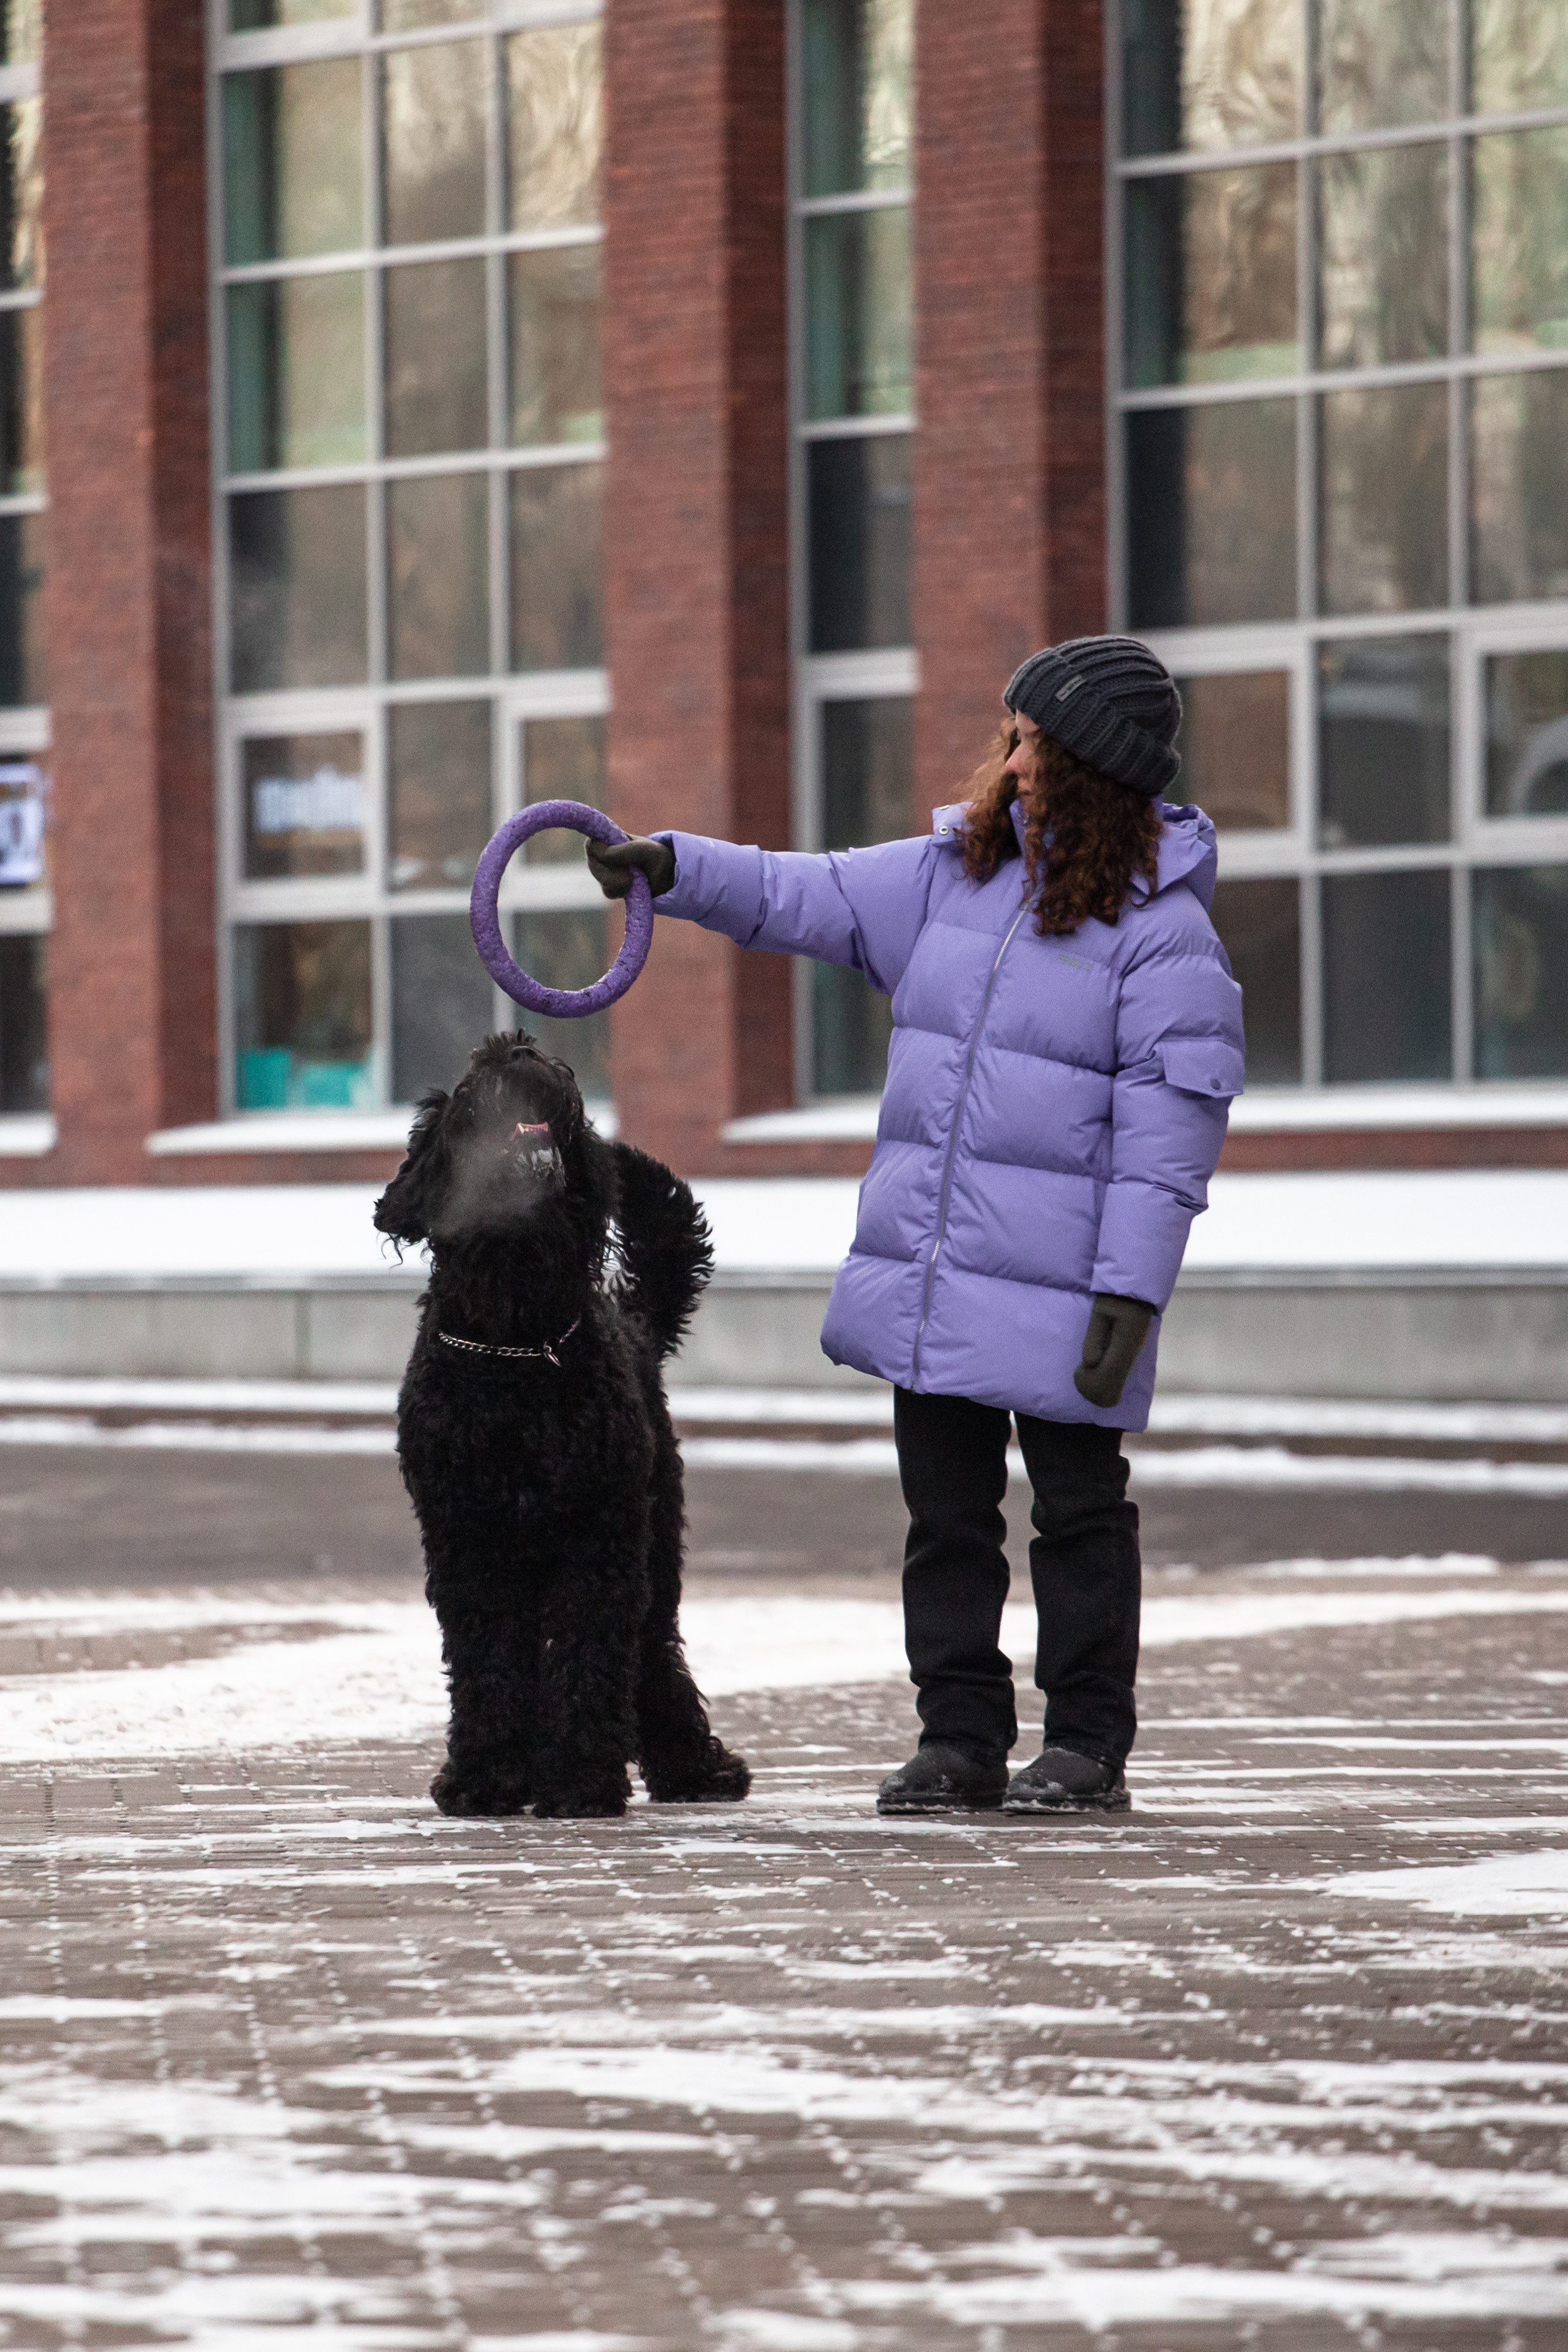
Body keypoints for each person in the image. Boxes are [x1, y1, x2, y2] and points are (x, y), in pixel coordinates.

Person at [587, 636, 1244, 1817]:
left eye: (1038, 740)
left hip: (1068, 1291)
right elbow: (805, 891)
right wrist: (670, 867)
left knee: (1079, 1516)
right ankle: (960, 1740)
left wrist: (1131, 1293)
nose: (1016, 757)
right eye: (1015, 733)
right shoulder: (957, 876)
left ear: (1097, 766)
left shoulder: (1163, 936)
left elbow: (1173, 1133)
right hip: (938, 1275)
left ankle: (1086, 1747)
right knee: (947, 1522)